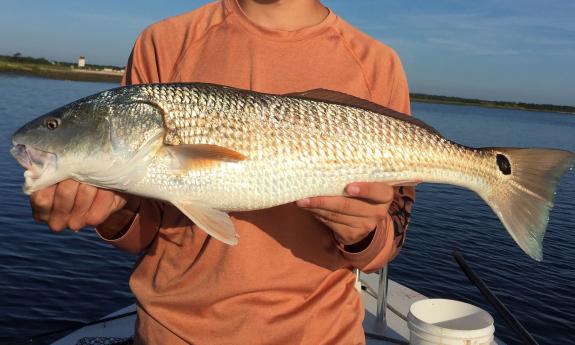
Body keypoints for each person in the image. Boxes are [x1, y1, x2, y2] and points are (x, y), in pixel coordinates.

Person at [30, 0, 415, 343]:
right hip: (172, 330)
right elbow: (143, 230)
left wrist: (364, 233)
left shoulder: (377, 64)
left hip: (322, 333)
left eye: (54, 126)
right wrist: (111, 211)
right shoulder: (164, 42)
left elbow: (390, 236)